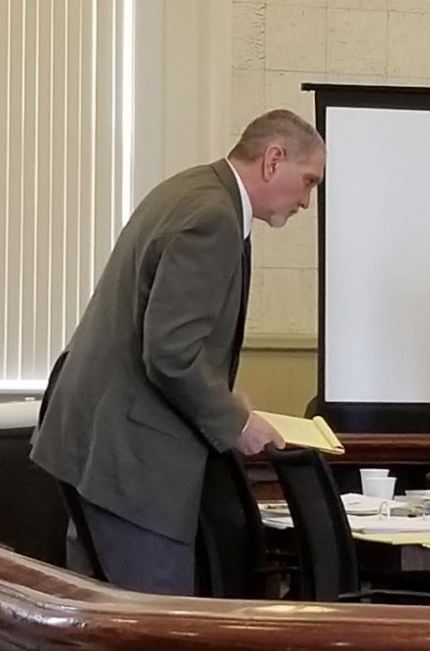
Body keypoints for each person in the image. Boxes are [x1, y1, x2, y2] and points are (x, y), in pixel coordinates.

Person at [30, 109, 326, 595]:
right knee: (155, 625)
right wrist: (237, 422)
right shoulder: (214, 218)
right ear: (274, 159)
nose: (307, 202)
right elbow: (170, 353)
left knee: (94, 622)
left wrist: (229, 400)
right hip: (134, 464)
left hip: (96, 448)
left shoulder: (190, 190)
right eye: (308, 180)